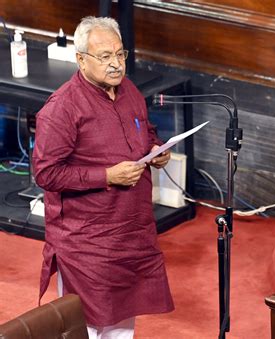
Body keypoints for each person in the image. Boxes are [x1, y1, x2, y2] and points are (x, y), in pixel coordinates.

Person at [32, 16, 174, 338]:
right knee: (89, 327)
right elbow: (46, 173)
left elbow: (144, 130)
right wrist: (107, 176)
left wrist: (155, 149)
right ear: (81, 59)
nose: (115, 65)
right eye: (105, 56)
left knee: (122, 326)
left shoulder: (130, 91)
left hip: (131, 233)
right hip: (88, 242)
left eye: (120, 54)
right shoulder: (62, 108)